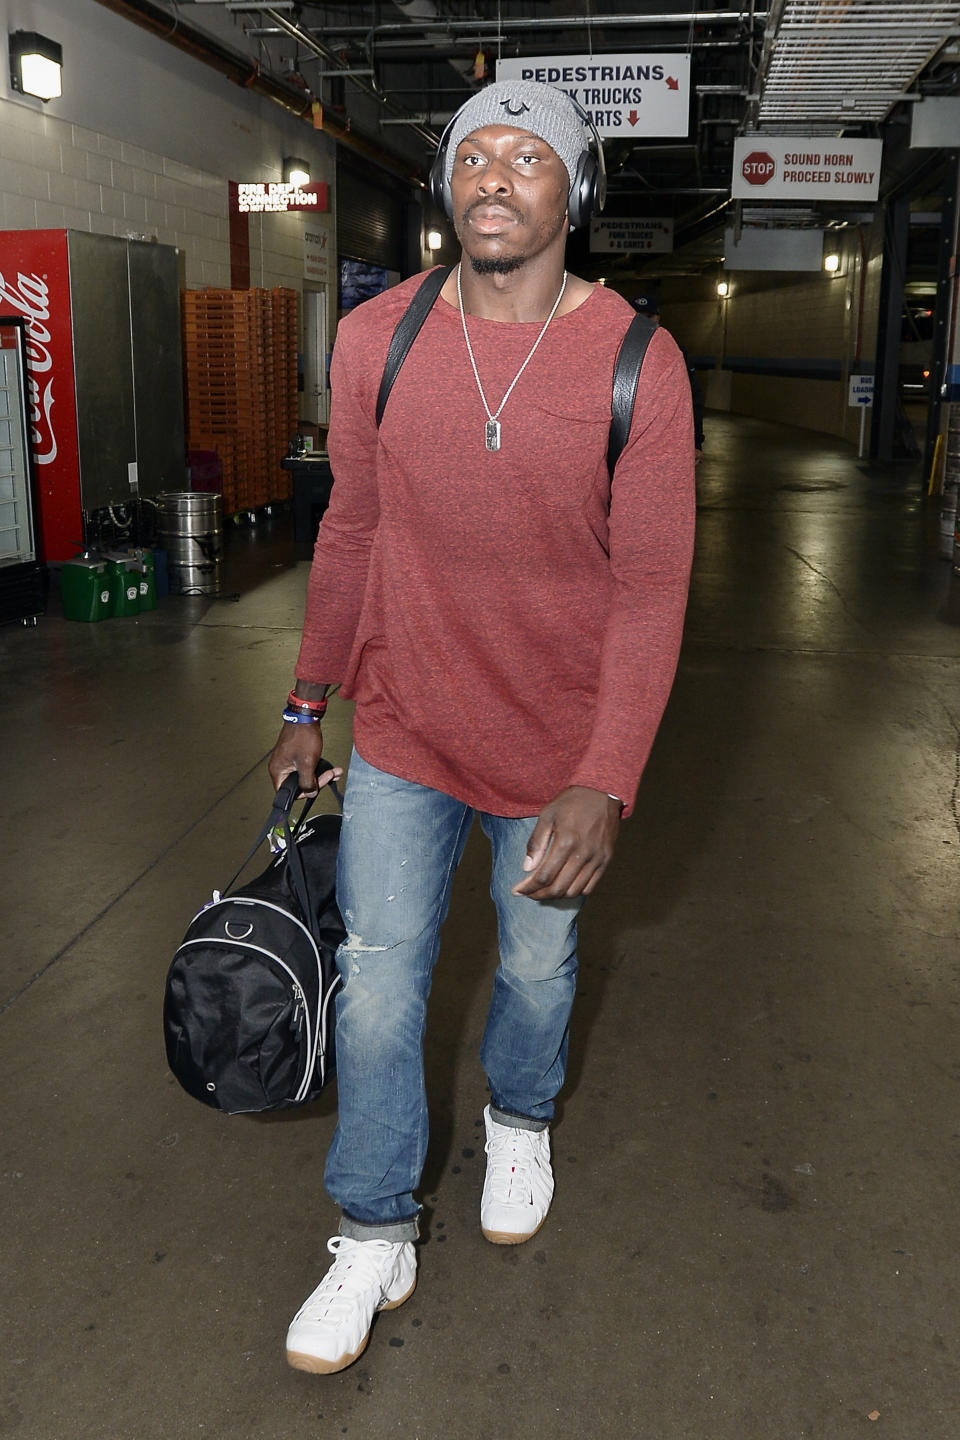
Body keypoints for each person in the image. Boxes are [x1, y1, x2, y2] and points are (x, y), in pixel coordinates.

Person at [268, 78, 696, 1376]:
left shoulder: (637, 362)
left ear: (576, 193)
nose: (496, 176)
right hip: (405, 730)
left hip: (555, 759)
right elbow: (353, 530)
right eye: (473, 156)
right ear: (446, 184)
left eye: (530, 158)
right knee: (383, 989)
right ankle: (371, 1225)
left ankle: (521, 1118)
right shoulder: (379, 340)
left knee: (532, 971)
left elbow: (652, 588)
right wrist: (306, 701)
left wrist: (606, 778)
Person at [631, 292, 705, 463]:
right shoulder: (616, 353)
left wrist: (695, 442)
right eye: (637, 317)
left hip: (666, 441)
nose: (644, 322)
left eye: (649, 316)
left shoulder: (676, 354)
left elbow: (693, 398)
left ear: (658, 318)